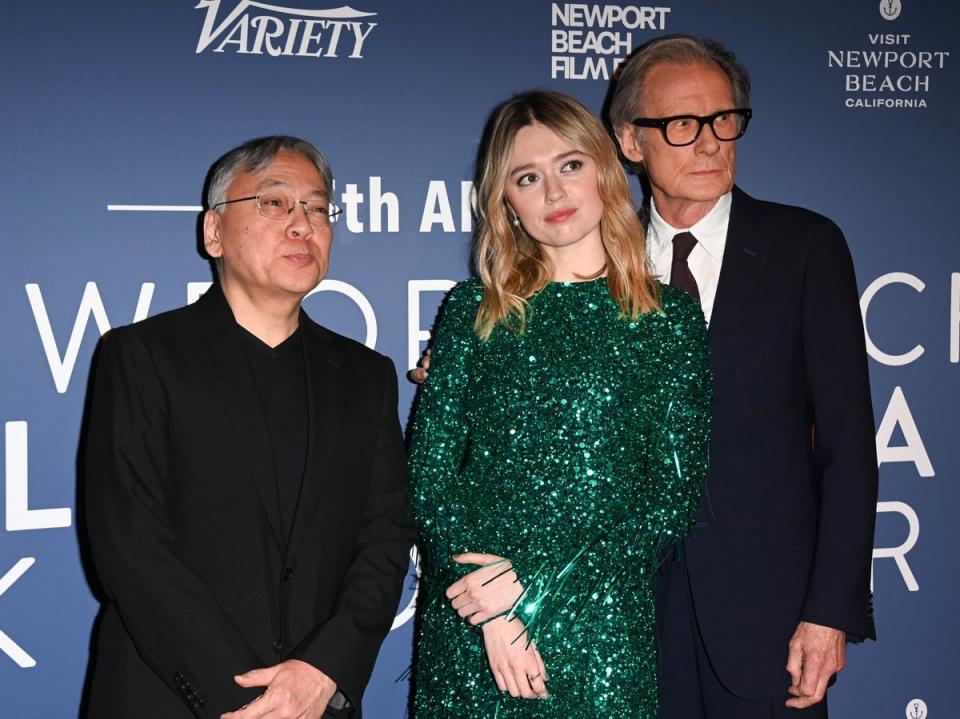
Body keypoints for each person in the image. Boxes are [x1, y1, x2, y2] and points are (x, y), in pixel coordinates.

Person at [83, 136, 415, 718]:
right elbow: (130, 549)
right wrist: (254, 702)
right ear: (214, 232)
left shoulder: (367, 376)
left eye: (317, 208)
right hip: (171, 698)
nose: (302, 225)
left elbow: (384, 540)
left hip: (316, 703)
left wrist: (322, 672)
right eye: (273, 203)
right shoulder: (142, 357)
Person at [407, 90, 711, 718]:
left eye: (570, 165)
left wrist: (534, 593)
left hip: (601, 624)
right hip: (473, 623)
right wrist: (492, 609)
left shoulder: (670, 320)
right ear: (506, 204)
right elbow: (429, 475)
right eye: (527, 177)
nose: (553, 192)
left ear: (604, 170)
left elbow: (669, 498)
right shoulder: (472, 312)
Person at [607, 35, 878, 718]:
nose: (709, 143)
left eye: (725, 120)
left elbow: (848, 446)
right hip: (625, 624)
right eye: (682, 125)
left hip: (771, 621)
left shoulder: (805, 247)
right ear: (629, 141)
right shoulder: (596, 269)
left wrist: (828, 612)